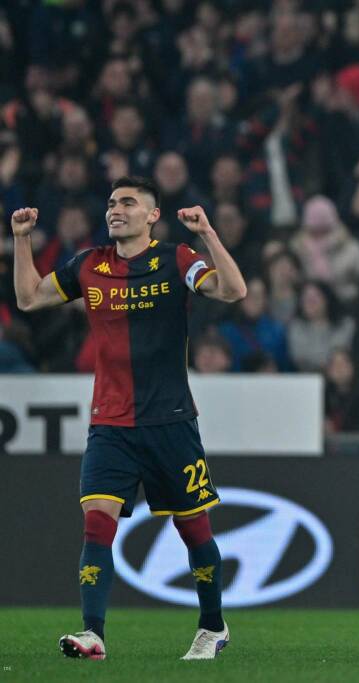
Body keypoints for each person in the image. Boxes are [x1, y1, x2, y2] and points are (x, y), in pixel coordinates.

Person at [10, 175, 247, 661]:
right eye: (112, 202)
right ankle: (93, 633)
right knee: (97, 522)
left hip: (170, 422)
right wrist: (21, 240)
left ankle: (213, 626)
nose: (115, 209)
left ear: (152, 216)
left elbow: (232, 290)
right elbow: (30, 297)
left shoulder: (175, 258)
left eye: (128, 203)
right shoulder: (89, 265)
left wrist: (208, 234)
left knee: (194, 530)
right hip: (110, 423)